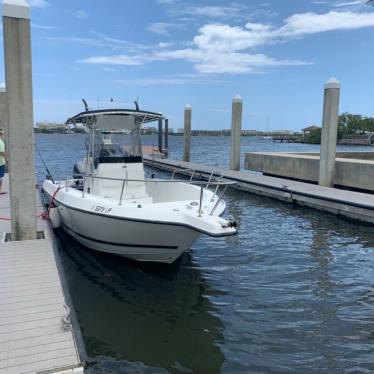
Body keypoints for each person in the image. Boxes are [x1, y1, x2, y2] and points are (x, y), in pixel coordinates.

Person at [0, 128, 7, 195]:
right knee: (0, 177)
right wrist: (7, 158)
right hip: (0, 163)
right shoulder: (0, 142)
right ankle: (0, 190)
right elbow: (2, 152)